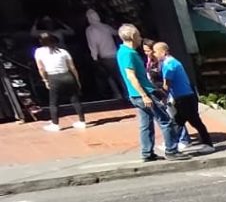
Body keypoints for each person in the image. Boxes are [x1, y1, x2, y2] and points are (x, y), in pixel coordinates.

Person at [117, 23, 184, 161]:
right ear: (132, 36)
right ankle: (171, 150)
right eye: (138, 35)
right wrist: (144, 95)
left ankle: (147, 153)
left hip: (138, 94)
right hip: (144, 93)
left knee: (145, 123)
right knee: (165, 120)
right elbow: (131, 76)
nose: (140, 38)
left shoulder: (122, 52)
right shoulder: (128, 53)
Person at [153, 41, 215, 154]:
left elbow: (166, 85)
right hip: (184, 96)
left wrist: (160, 96)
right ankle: (172, 144)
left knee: (190, 121)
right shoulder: (173, 62)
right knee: (180, 121)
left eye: (156, 52)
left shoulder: (169, 65)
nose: (154, 54)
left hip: (184, 97)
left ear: (164, 52)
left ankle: (207, 144)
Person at [34, 32, 86, 132]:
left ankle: (55, 123)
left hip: (53, 77)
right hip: (67, 75)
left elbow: (41, 68)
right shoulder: (63, 51)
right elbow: (72, 67)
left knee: (54, 102)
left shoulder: (39, 52)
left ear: (41, 41)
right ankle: (82, 121)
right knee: (75, 99)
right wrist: (77, 79)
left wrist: (45, 79)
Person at [85, 9, 123, 99]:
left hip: (105, 57)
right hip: (115, 54)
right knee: (120, 75)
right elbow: (116, 32)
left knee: (110, 76)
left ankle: (117, 93)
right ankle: (126, 91)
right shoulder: (105, 26)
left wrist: (94, 58)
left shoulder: (90, 30)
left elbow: (92, 45)